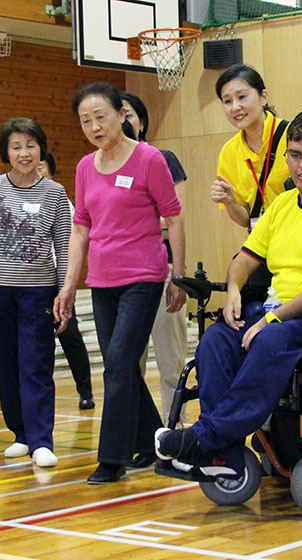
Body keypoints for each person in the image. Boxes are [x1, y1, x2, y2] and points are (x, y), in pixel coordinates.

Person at [154, 110, 302, 479]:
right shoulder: (282, 206)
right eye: (294, 155)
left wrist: (274, 317)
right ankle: (221, 455)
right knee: (217, 339)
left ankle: (203, 437)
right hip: (276, 309)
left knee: (268, 339)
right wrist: (236, 289)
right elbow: (243, 259)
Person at [53, 82, 186, 485]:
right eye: (85, 120)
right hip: (103, 280)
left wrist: (176, 275)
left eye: (101, 117)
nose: (94, 126)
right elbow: (80, 229)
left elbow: (174, 218)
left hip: (144, 277)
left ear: (121, 115)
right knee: (120, 363)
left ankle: (112, 457)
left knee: (118, 364)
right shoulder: (83, 168)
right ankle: (154, 441)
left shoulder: (149, 160)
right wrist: (68, 284)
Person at [0, 118, 71, 468]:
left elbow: (64, 247)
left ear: (41, 148)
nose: (24, 152)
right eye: (15, 146)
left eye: (30, 144)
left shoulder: (55, 193)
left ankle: (41, 439)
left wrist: (63, 292)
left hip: (39, 291)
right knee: (6, 365)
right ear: (5, 152)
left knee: (35, 363)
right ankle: (21, 434)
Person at [120, 91, 190, 430]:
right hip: (122, 274)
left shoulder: (161, 158)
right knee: (127, 361)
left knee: (170, 358)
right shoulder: (100, 165)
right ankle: (138, 432)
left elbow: (174, 215)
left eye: (128, 114)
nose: (122, 121)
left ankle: (174, 427)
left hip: (161, 267)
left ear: (142, 121)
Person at [35, 153, 95, 411]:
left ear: (50, 171)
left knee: (70, 336)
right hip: (30, 283)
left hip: (57, 281)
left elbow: (74, 244)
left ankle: (86, 391)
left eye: (41, 167)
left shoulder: (61, 201)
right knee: (37, 343)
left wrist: (66, 282)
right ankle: (39, 394)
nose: (36, 171)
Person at [211, 64, 292, 232]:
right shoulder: (229, 152)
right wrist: (230, 201)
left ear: (263, 97)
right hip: (262, 244)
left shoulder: (294, 136)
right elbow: (246, 219)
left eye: (242, 97)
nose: (235, 107)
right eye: (227, 101)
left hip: (301, 238)